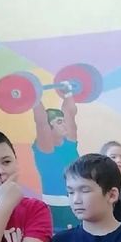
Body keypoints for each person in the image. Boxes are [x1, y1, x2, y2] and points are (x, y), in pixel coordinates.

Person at [32, 92, 79, 230]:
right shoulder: (45, 148)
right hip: (55, 209)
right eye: (59, 122)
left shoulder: (69, 144)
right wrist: (34, 96)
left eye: (63, 121)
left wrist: (68, 93)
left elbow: (70, 113)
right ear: (49, 127)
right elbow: (41, 123)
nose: (64, 125)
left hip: (77, 205)